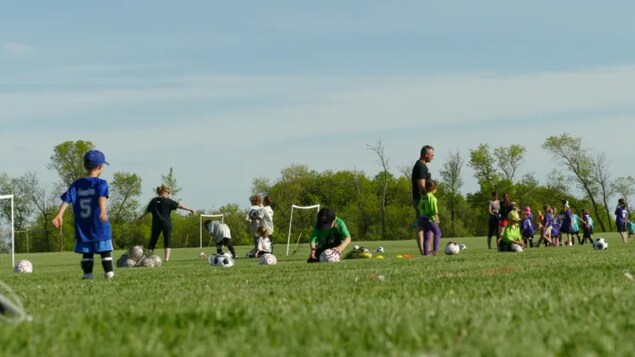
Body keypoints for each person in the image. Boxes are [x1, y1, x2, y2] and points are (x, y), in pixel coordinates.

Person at [51, 150, 115, 280]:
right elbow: (102, 197)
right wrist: (103, 210)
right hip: (99, 225)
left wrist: (59, 215)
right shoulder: (100, 183)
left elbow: (67, 200)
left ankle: (87, 276)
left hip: (83, 227)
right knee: (104, 251)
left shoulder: (76, 185)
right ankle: (109, 274)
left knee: (87, 253)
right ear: (100, 167)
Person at [138, 184, 195, 262]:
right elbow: (180, 206)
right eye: (168, 193)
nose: (169, 195)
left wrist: (142, 216)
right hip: (166, 223)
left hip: (156, 224)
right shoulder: (169, 201)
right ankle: (166, 259)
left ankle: (148, 258)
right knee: (167, 241)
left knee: (153, 241)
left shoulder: (153, 201)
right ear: (165, 192)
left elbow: (147, 210)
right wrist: (190, 209)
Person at [411, 145, 435, 255]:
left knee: (427, 225)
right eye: (432, 155)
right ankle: (424, 251)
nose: (433, 157)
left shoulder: (422, 166)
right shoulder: (420, 167)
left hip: (423, 200)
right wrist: (430, 195)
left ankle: (427, 250)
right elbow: (422, 185)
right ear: (426, 155)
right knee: (422, 225)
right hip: (422, 201)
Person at [418, 180, 441, 256]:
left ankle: (426, 254)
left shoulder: (423, 197)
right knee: (437, 232)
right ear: (433, 189)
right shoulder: (433, 198)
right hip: (429, 219)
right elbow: (434, 211)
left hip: (422, 218)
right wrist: (434, 218)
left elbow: (419, 207)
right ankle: (435, 250)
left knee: (427, 236)